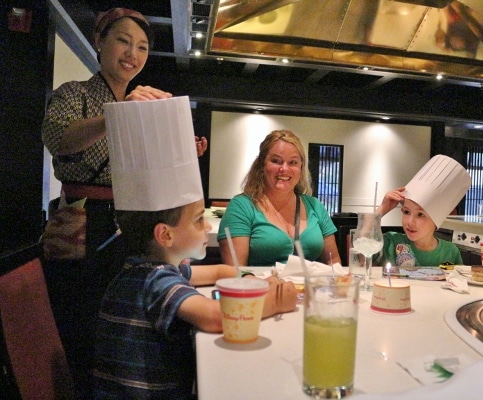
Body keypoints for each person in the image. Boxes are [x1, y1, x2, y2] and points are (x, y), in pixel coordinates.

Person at [40, 8, 207, 396]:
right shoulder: (75, 93)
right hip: (84, 225)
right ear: (99, 42)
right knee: (84, 324)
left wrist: (179, 150)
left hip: (131, 225)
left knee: (132, 323)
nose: (133, 53)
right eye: (123, 41)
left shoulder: (144, 105)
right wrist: (116, 115)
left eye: (143, 47)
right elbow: (58, 138)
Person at [93, 97, 297, 399]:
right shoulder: (154, 280)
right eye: (199, 220)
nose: (207, 228)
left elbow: (219, 270)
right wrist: (274, 303)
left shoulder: (153, 267)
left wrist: (250, 281)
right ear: (165, 235)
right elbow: (216, 317)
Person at [218, 130, 341, 266]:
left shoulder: (315, 206)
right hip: (261, 286)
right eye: (276, 161)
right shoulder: (242, 206)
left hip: (310, 287)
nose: (284, 168)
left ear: (301, 168)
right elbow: (235, 270)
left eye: (293, 162)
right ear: (262, 165)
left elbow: (333, 262)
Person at [373, 155, 471, 267]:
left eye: (420, 214)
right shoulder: (391, 242)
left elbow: (456, 281)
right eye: (406, 212)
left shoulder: (449, 253)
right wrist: (382, 209)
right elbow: (361, 252)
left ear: (436, 220)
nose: (410, 222)